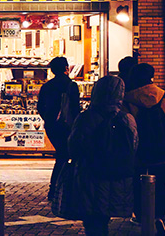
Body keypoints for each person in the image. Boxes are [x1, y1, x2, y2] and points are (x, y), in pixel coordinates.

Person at [59, 75, 138, 236]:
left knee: (93, 221)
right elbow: (134, 146)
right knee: (105, 215)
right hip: (117, 176)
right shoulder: (127, 119)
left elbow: (74, 146)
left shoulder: (86, 117)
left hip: (90, 175)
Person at [124, 63, 165, 236]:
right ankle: (159, 217)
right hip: (160, 148)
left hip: (137, 149)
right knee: (160, 184)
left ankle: (141, 217)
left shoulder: (128, 98)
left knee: (136, 182)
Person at [37, 56, 82, 204]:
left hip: (51, 126)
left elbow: (39, 107)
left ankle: (56, 188)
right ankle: (63, 189)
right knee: (67, 156)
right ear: (66, 68)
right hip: (68, 126)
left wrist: (49, 120)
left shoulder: (46, 86)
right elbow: (75, 108)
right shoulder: (71, 85)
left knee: (62, 155)